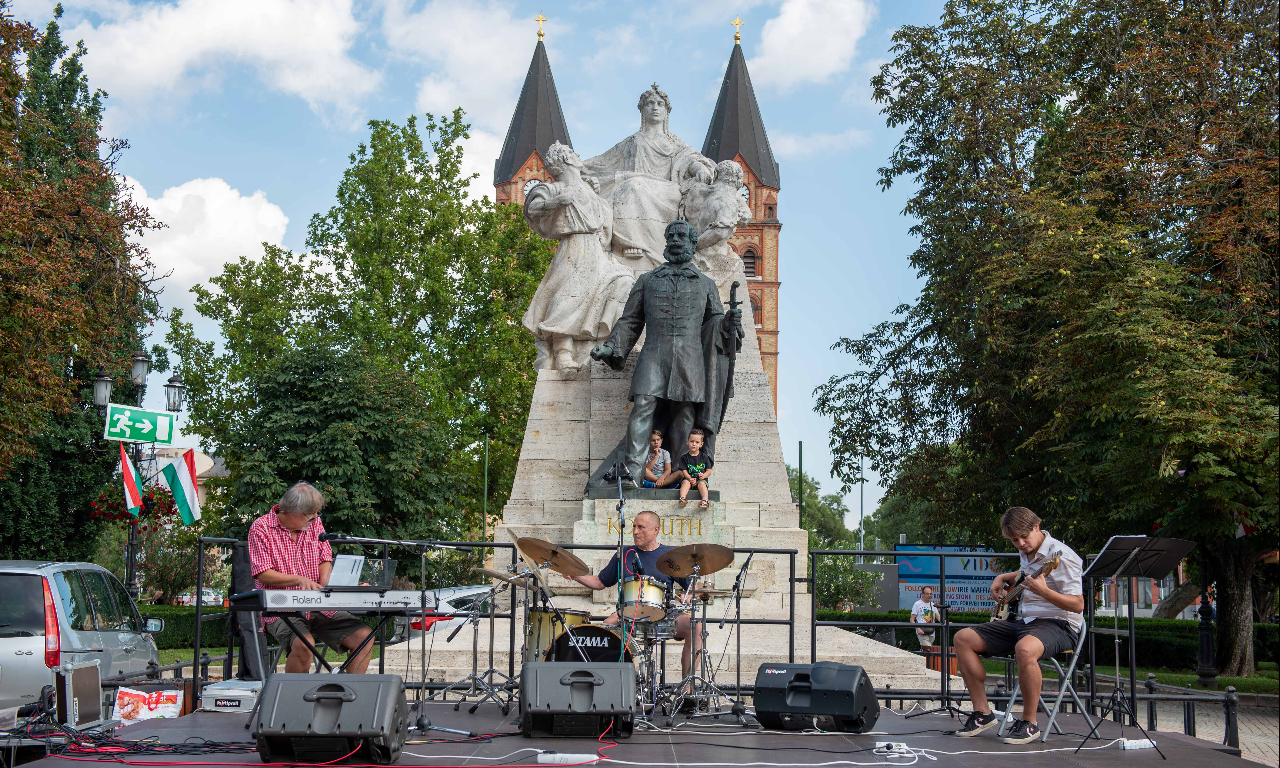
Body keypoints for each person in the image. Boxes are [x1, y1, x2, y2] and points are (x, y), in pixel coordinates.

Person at [952, 507, 1084, 744]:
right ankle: (983, 713)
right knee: (963, 638)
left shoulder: (1063, 556)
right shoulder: (1029, 553)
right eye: (1014, 540)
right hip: (1025, 622)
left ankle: (1029, 722)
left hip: (1060, 623)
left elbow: (1078, 605)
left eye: (1024, 537)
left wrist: (1044, 592)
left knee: (1025, 649)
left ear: (1036, 527)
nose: (1021, 543)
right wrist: (1003, 577)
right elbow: (1026, 573)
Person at [522, 141, 634, 371]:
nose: (577, 155)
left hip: (598, 250)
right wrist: (557, 202)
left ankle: (607, 343)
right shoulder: (555, 189)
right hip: (574, 245)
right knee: (570, 295)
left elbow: (606, 223)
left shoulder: (590, 190)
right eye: (572, 153)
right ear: (565, 160)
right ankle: (563, 352)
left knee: (623, 282)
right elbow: (532, 209)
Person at [248, 481, 374, 674]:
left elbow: (325, 558)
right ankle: (293, 700)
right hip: (282, 608)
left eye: (317, 514)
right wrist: (298, 580)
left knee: (364, 636)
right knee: (305, 643)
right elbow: (263, 573)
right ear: (292, 511)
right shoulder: (261, 528)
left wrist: (325, 582)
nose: (315, 518)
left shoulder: (314, 525)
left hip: (318, 605)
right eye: (310, 514)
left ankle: (350, 696)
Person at [569, 510, 702, 679]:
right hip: (628, 612)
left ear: (656, 530)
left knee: (696, 626)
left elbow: (693, 586)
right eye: (634, 527)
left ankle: (687, 688)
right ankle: (606, 683)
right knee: (605, 628)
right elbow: (600, 582)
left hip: (665, 612)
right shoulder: (624, 554)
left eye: (641, 527)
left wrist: (690, 594)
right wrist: (576, 575)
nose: (635, 532)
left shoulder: (671, 556)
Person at [676, 428, 713, 508]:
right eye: (692, 441)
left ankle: (705, 501)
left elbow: (709, 471)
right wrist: (689, 478)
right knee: (685, 483)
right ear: (687, 442)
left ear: (701, 444)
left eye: (697, 442)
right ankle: (682, 499)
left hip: (701, 479)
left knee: (702, 484)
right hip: (689, 479)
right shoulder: (684, 458)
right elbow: (684, 471)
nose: (694, 444)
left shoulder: (704, 457)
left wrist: (704, 475)